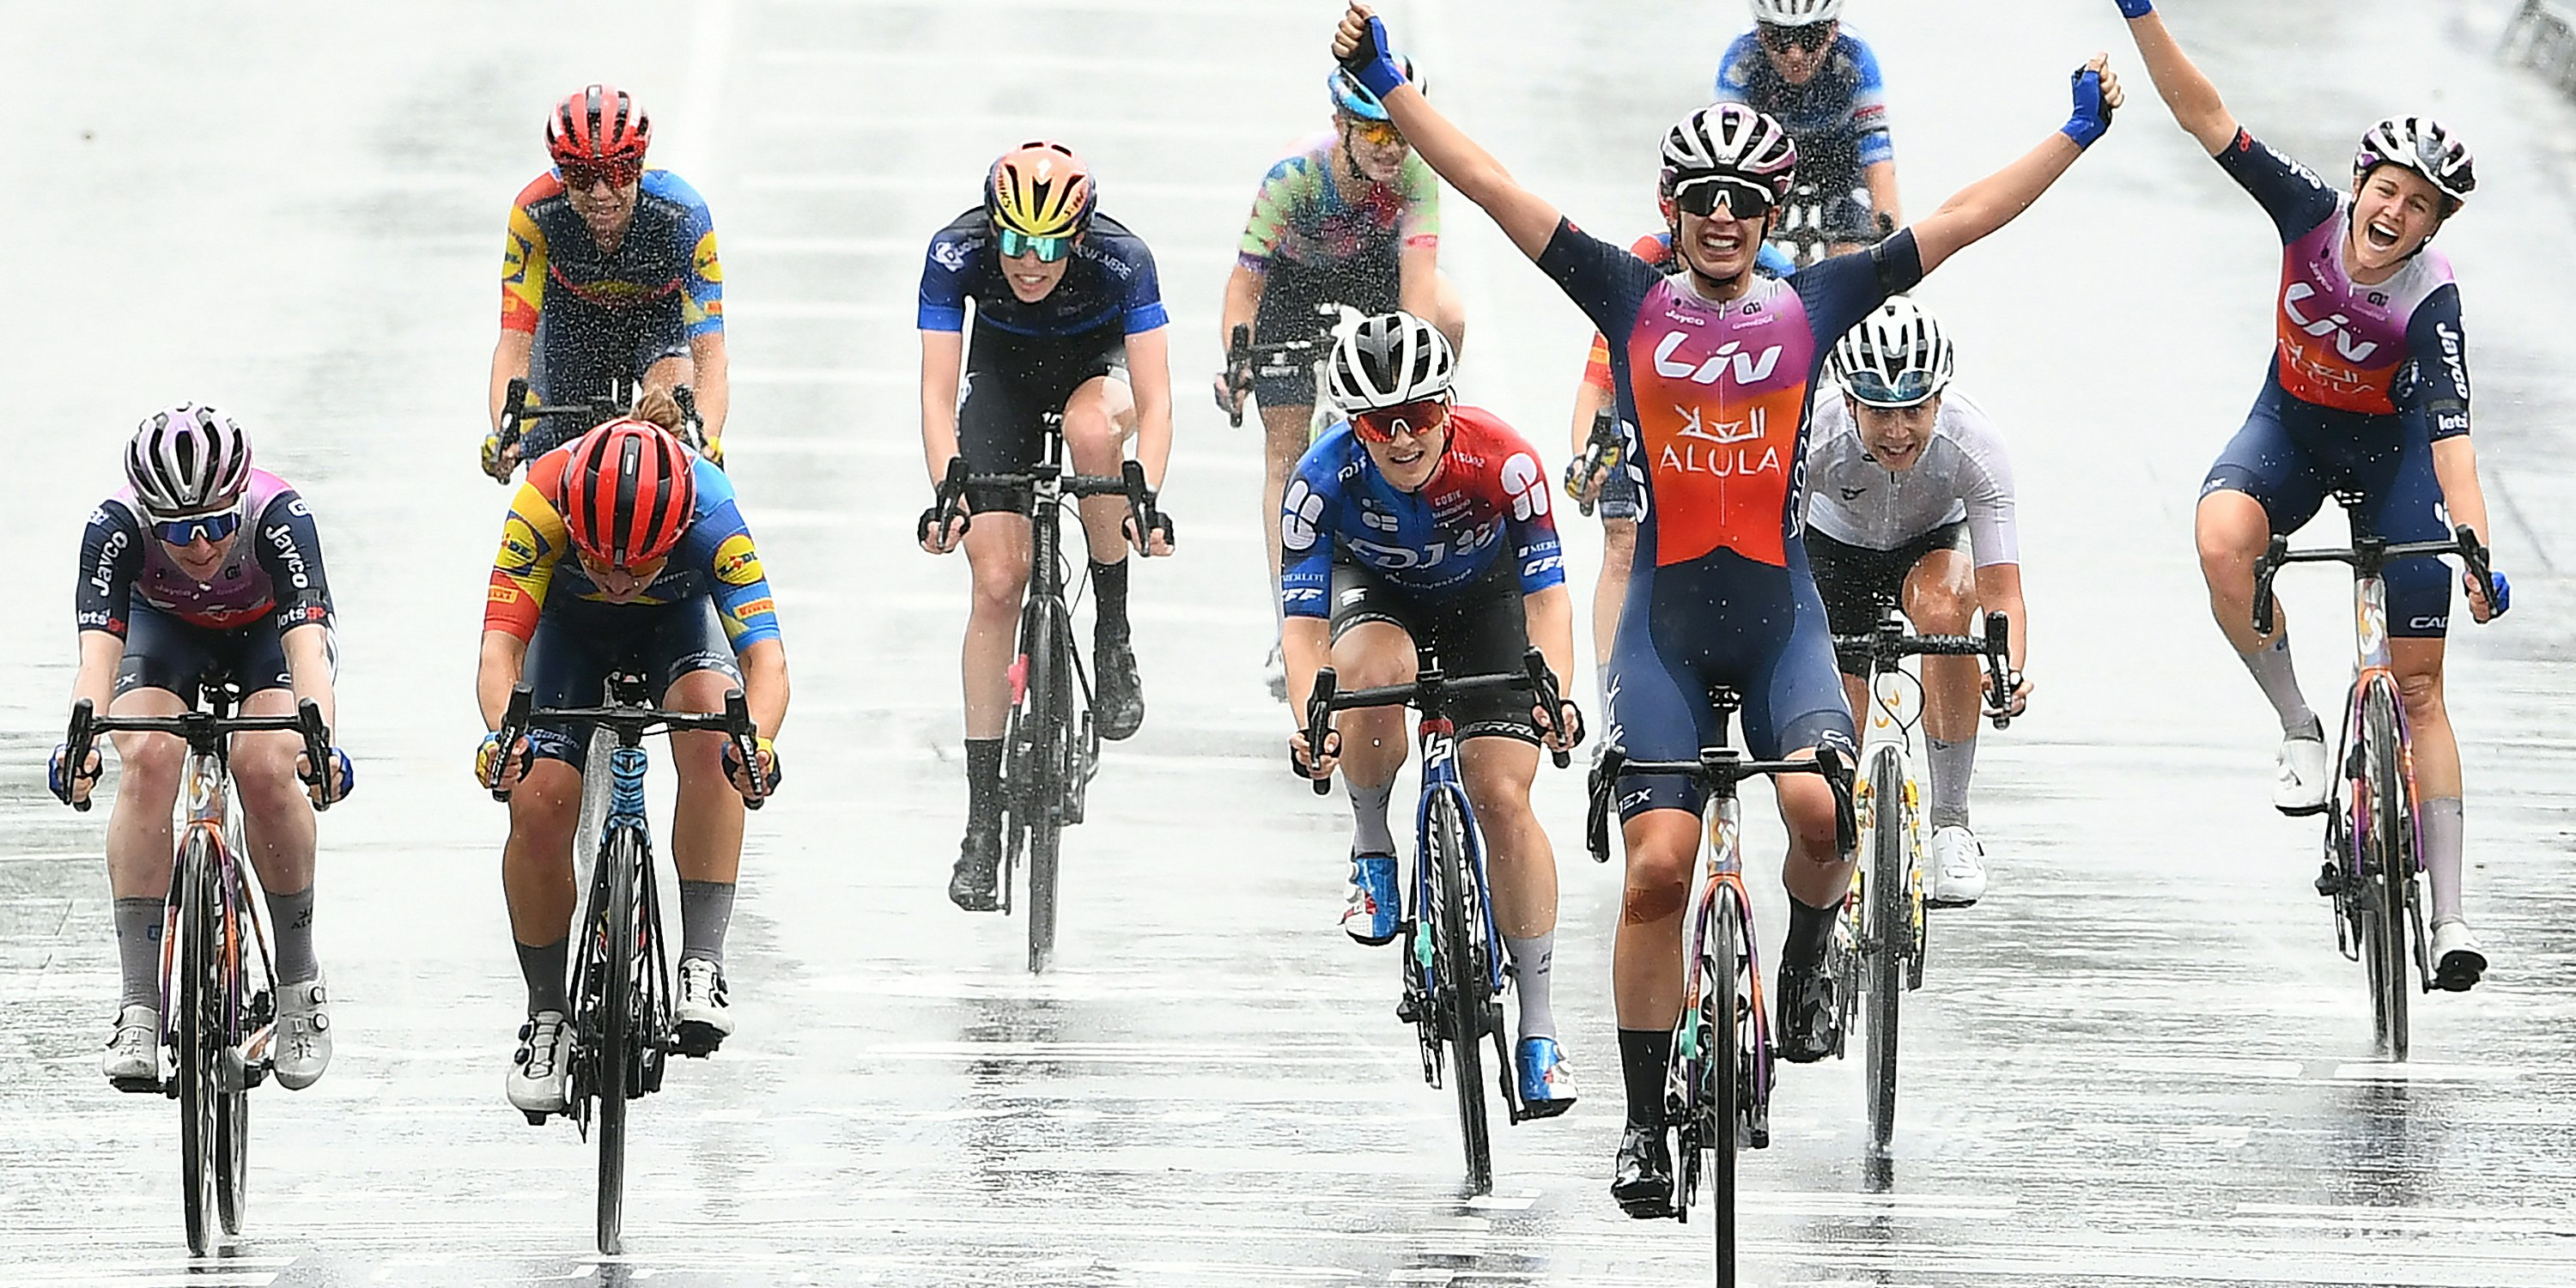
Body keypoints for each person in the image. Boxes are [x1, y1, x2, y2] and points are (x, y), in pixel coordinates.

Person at [1328, 0, 2120, 1213]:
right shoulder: (1628, 296)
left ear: (1764, 215)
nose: (1718, 219)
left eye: (1741, 203)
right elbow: (1488, 184)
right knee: (1657, 867)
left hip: (1781, 613)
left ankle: (1808, 959)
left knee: (1819, 813)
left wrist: (2072, 134)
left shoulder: (1814, 306)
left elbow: (1958, 223)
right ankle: (1645, 1128)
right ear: (1676, 209)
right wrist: (1388, 82)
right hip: (1665, 623)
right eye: (1698, 200)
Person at [2113, 0, 2503, 989]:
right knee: (2220, 543)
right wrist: (2140, 13)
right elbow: (2206, 117)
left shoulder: (2432, 296)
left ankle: (2451, 917)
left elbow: (2454, 434)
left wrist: (2474, 543)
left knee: (2418, 688)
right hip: (2288, 429)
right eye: (2387, 190)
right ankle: (2297, 723)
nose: (2394, 213)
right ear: (2361, 182)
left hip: (2394, 456)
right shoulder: (2309, 213)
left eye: (2419, 206)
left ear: (2435, 224)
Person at [1283, 312, 1584, 1115]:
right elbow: (1305, 630)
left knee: (1504, 798)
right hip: (1374, 600)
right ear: (1356, 426)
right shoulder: (1320, 480)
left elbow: (1549, 599)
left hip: (1486, 602)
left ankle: (1541, 1030)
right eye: (1383, 425)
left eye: (1419, 418)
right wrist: (1313, 722)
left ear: (1448, 407)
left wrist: (1554, 692)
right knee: (1375, 673)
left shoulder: (1505, 460)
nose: (1404, 440)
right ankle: (1374, 846)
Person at [477, 400, 788, 1116]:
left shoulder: (712, 507)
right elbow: (499, 649)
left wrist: (757, 743)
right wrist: (504, 736)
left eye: (638, 566)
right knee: (539, 799)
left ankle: (703, 961)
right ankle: (547, 1014)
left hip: (677, 628)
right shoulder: (541, 499)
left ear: (676, 531)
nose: (617, 582)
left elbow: (765, 658)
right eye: (597, 560)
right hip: (568, 635)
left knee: (717, 733)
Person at [50, 405, 353, 1091]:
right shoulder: (114, 527)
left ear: (240, 502)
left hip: (265, 633)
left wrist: (320, 746)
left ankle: (300, 978)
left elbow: (307, 651)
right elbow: (97, 660)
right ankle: (139, 1006)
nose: (201, 547)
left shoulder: (282, 517)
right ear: (149, 517)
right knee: (149, 758)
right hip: (165, 631)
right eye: (179, 532)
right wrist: (81, 738)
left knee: (267, 764)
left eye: (217, 526)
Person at [915, 141, 1177, 912]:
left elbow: (1156, 403)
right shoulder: (956, 250)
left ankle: (1113, 635)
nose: (1031, 262)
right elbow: (937, 395)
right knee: (998, 581)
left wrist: (1148, 493)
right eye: (1016, 242)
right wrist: (948, 488)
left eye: (1051, 245)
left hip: (1096, 379)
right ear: (992, 226)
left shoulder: (1124, 260)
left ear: (1081, 234)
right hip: (1001, 383)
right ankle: (981, 821)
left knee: (1094, 434)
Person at [1217, 59, 1466, 700]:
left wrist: (1417, 381)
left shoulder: (1416, 175)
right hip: (1293, 288)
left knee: (1450, 314)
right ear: (1341, 127)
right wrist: (1238, 361)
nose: (1390, 149)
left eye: (1400, 134)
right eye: (1374, 133)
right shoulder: (1294, 177)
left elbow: (1418, 291)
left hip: (1375, 277)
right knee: (1286, 450)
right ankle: (1288, 617)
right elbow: (1245, 286)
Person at [1803, 298, 2032, 905]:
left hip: (1927, 548)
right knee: (1836, 719)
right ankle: (1832, 845)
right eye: (1878, 412)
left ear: (1940, 399)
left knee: (1948, 609)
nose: (1898, 431)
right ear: (1849, 401)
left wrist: (2006, 670)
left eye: (1913, 409)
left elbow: (2001, 587)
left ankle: (1952, 823)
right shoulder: (1812, 434)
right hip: (1831, 550)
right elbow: (1772, 566)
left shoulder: (1974, 443)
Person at [1567, 217, 1795, 674]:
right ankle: (1611, 688)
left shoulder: (1776, 271)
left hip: (1737, 416)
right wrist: (1584, 460)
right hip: (1651, 408)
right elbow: (1598, 387)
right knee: (1622, 544)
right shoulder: (1645, 260)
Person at [483, 84, 730, 479]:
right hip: (573, 324)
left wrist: (707, 438)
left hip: (657, 322)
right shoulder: (535, 212)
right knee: (550, 464)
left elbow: (710, 354)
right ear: (561, 174)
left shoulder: (683, 214)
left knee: (671, 428)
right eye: (581, 175)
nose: (601, 193)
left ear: (640, 166)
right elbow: (514, 345)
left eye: (618, 171)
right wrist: (504, 431)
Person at [1714, 0, 1899, 259]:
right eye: (1779, 39)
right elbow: (1726, 151)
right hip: (1769, 155)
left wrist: (1888, 234)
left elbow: (1876, 151)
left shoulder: (1855, 57)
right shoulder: (1742, 58)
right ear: (1761, 34)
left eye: (1811, 38)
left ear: (1832, 31)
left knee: (1850, 261)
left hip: (1839, 158)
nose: (1796, 55)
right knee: (1748, 249)